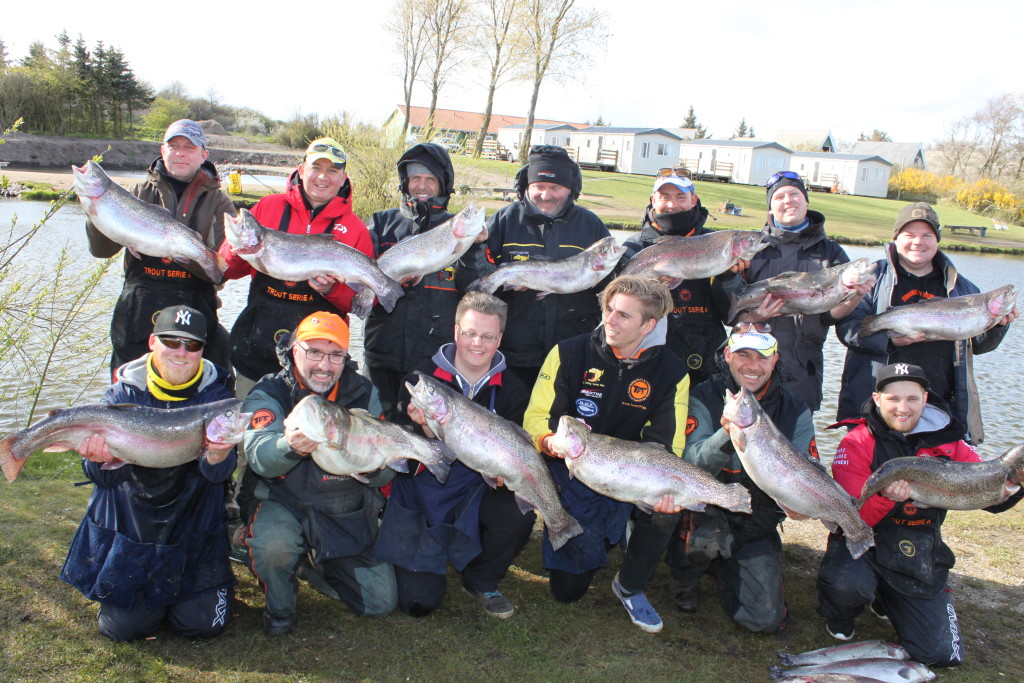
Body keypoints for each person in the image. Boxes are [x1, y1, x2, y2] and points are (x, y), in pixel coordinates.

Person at [817, 363, 1023, 666]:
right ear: (877, 399)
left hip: (919, 542)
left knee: (940, 655)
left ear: (925, 399)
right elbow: (853, 520)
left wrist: (1014, 486)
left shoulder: (950, 441)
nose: (903, 408)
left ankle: (888, 598)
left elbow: (990, 500)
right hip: (864, 539)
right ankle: (840, 613)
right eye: (893, 399)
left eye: (912, 399)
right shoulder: (856, 443)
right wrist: (887, 498)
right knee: (846, 585)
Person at [59, 305, 237, 641]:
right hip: (133, 521)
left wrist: (217, 456)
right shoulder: (121, 395)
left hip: (191, 521)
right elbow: (104, 480)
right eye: (172, 341)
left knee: (202, 626)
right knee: (126, 629)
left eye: (192, 345)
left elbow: (219, 477)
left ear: (203, 350)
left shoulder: (220, 401)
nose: (181, 352)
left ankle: (186, 597)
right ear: (153, 342)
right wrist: (96, 460)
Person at [524, 276, 690, 633]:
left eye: (624, 316)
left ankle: (630, 584)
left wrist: (660, 488)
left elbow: (669, 446)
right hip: (569, 472)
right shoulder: (568, 352)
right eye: (609, 310)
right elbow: (535, 418)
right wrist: (550, 441)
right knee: (567, 591)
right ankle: (594, 533)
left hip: (629, 474)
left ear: (649, 325)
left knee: (666, 509)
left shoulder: (673, 372)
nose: (610, 320)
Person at [374, 292, 535, 618]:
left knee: (520, 512)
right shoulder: (420, 379)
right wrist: (426, 430)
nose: (478, 343)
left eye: (488, 336)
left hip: (478, 486)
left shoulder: (514, 389)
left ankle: (480, 578)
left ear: (499, 338)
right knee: (418, 604)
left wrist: (508, 473)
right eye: (470, 333)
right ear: (456, 331)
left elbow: (513, 450)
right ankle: (423, 553)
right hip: (424, 492)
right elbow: (402, 459)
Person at [235, 311, 397, 635]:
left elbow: (385, 476)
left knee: (380, 602)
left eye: (335, 355)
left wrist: (377, 465)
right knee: (274, 547)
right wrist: (290, 446)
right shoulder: (269, 393)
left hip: (342, 508)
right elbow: (260, 459)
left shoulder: (365, 393)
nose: (324, 365)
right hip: (283, 502)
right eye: (314, 352)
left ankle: (312, 564)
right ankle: (276, 601)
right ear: (295, 350)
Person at [670, 323, 815, 632]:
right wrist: (726, 433)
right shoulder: (702, 396)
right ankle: (686, 575)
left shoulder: (797, 409)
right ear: (727, 355)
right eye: (743, 355)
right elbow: (690, 467)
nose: (752, 365)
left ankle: (730, 567)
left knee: (764, 620)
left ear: (775, 360)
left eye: (762, 357)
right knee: (701, 540)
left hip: (757, 516)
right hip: (706, 506)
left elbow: (810, 471)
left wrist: (803, 505)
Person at [835, 202, 1017, 444]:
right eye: (909, 235)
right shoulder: (870, 278)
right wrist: (891, 340)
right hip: (877, 404)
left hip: (938, 405)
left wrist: (999, 325)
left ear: (937, 240)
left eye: (926, 235)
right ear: (896, 238)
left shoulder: (964, 288)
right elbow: (849, 331)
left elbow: (979, 345)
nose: (917, 242)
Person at [220, 137, 373, 396]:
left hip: (320, 362)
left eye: (332, 171)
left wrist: (331, 291)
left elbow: (361, 303)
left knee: (310, 434)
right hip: (257, 349)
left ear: (343, 177)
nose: (323, 177)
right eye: (316, 168)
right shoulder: (267, 207)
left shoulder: (356, 229)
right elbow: (226, 270)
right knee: (252, 430)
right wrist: (238, 250)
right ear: (302, 170)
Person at [86, 119, 237, 373]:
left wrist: (181, 252)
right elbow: (101, 251)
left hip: (196, 314)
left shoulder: (221, 204)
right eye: (174, 145)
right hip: (136, 313)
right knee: (130, 397)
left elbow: (222, 271)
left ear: (203, 155)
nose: (180, 153)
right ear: (162, 150)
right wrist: (95, 214)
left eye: (189, 147)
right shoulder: (134, 193)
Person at [362, 143, 488, 420]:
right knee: (374, 427)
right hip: (381, 349)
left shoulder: (457, 230)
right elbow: (359, 274)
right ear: (405, 182)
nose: (422, 185)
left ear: (443, 185)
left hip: (435, 358)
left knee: (427, 432)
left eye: (430, 179)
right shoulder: (380, 223)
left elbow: (476, 291)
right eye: (415, 178)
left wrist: (475, 248)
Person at [738, 171, 871, 412]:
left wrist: (855, 296)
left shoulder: (832, 252)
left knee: (797, 443)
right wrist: (753, 318)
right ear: (770, 208)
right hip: (751, 365)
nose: (788, 200)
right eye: (779, 197)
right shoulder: (750, 248)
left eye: (794, 194)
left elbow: (832, 315)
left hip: (804, 370)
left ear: (806, 201)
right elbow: (729, 311)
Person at [484, 144, 611, 388]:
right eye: (539, 187)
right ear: (528, 186)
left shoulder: (590, 225)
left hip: (572, 349)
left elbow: (610, 284)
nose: (546, 194)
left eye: (555, 187)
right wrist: (504, 286)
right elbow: (480, 274)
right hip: (513, 352)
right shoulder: (504, 220)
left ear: (570, 188)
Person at [622, 171, 745, 383]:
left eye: (681, 197)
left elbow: (733, 316)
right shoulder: (633, 247)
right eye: (665, 197)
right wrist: (651, 288)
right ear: (653, 200)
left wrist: (728, 278)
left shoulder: (718, 243)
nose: (672, 205)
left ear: (693, 200)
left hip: (704, 367)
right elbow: (619, 311)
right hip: (642, 364)